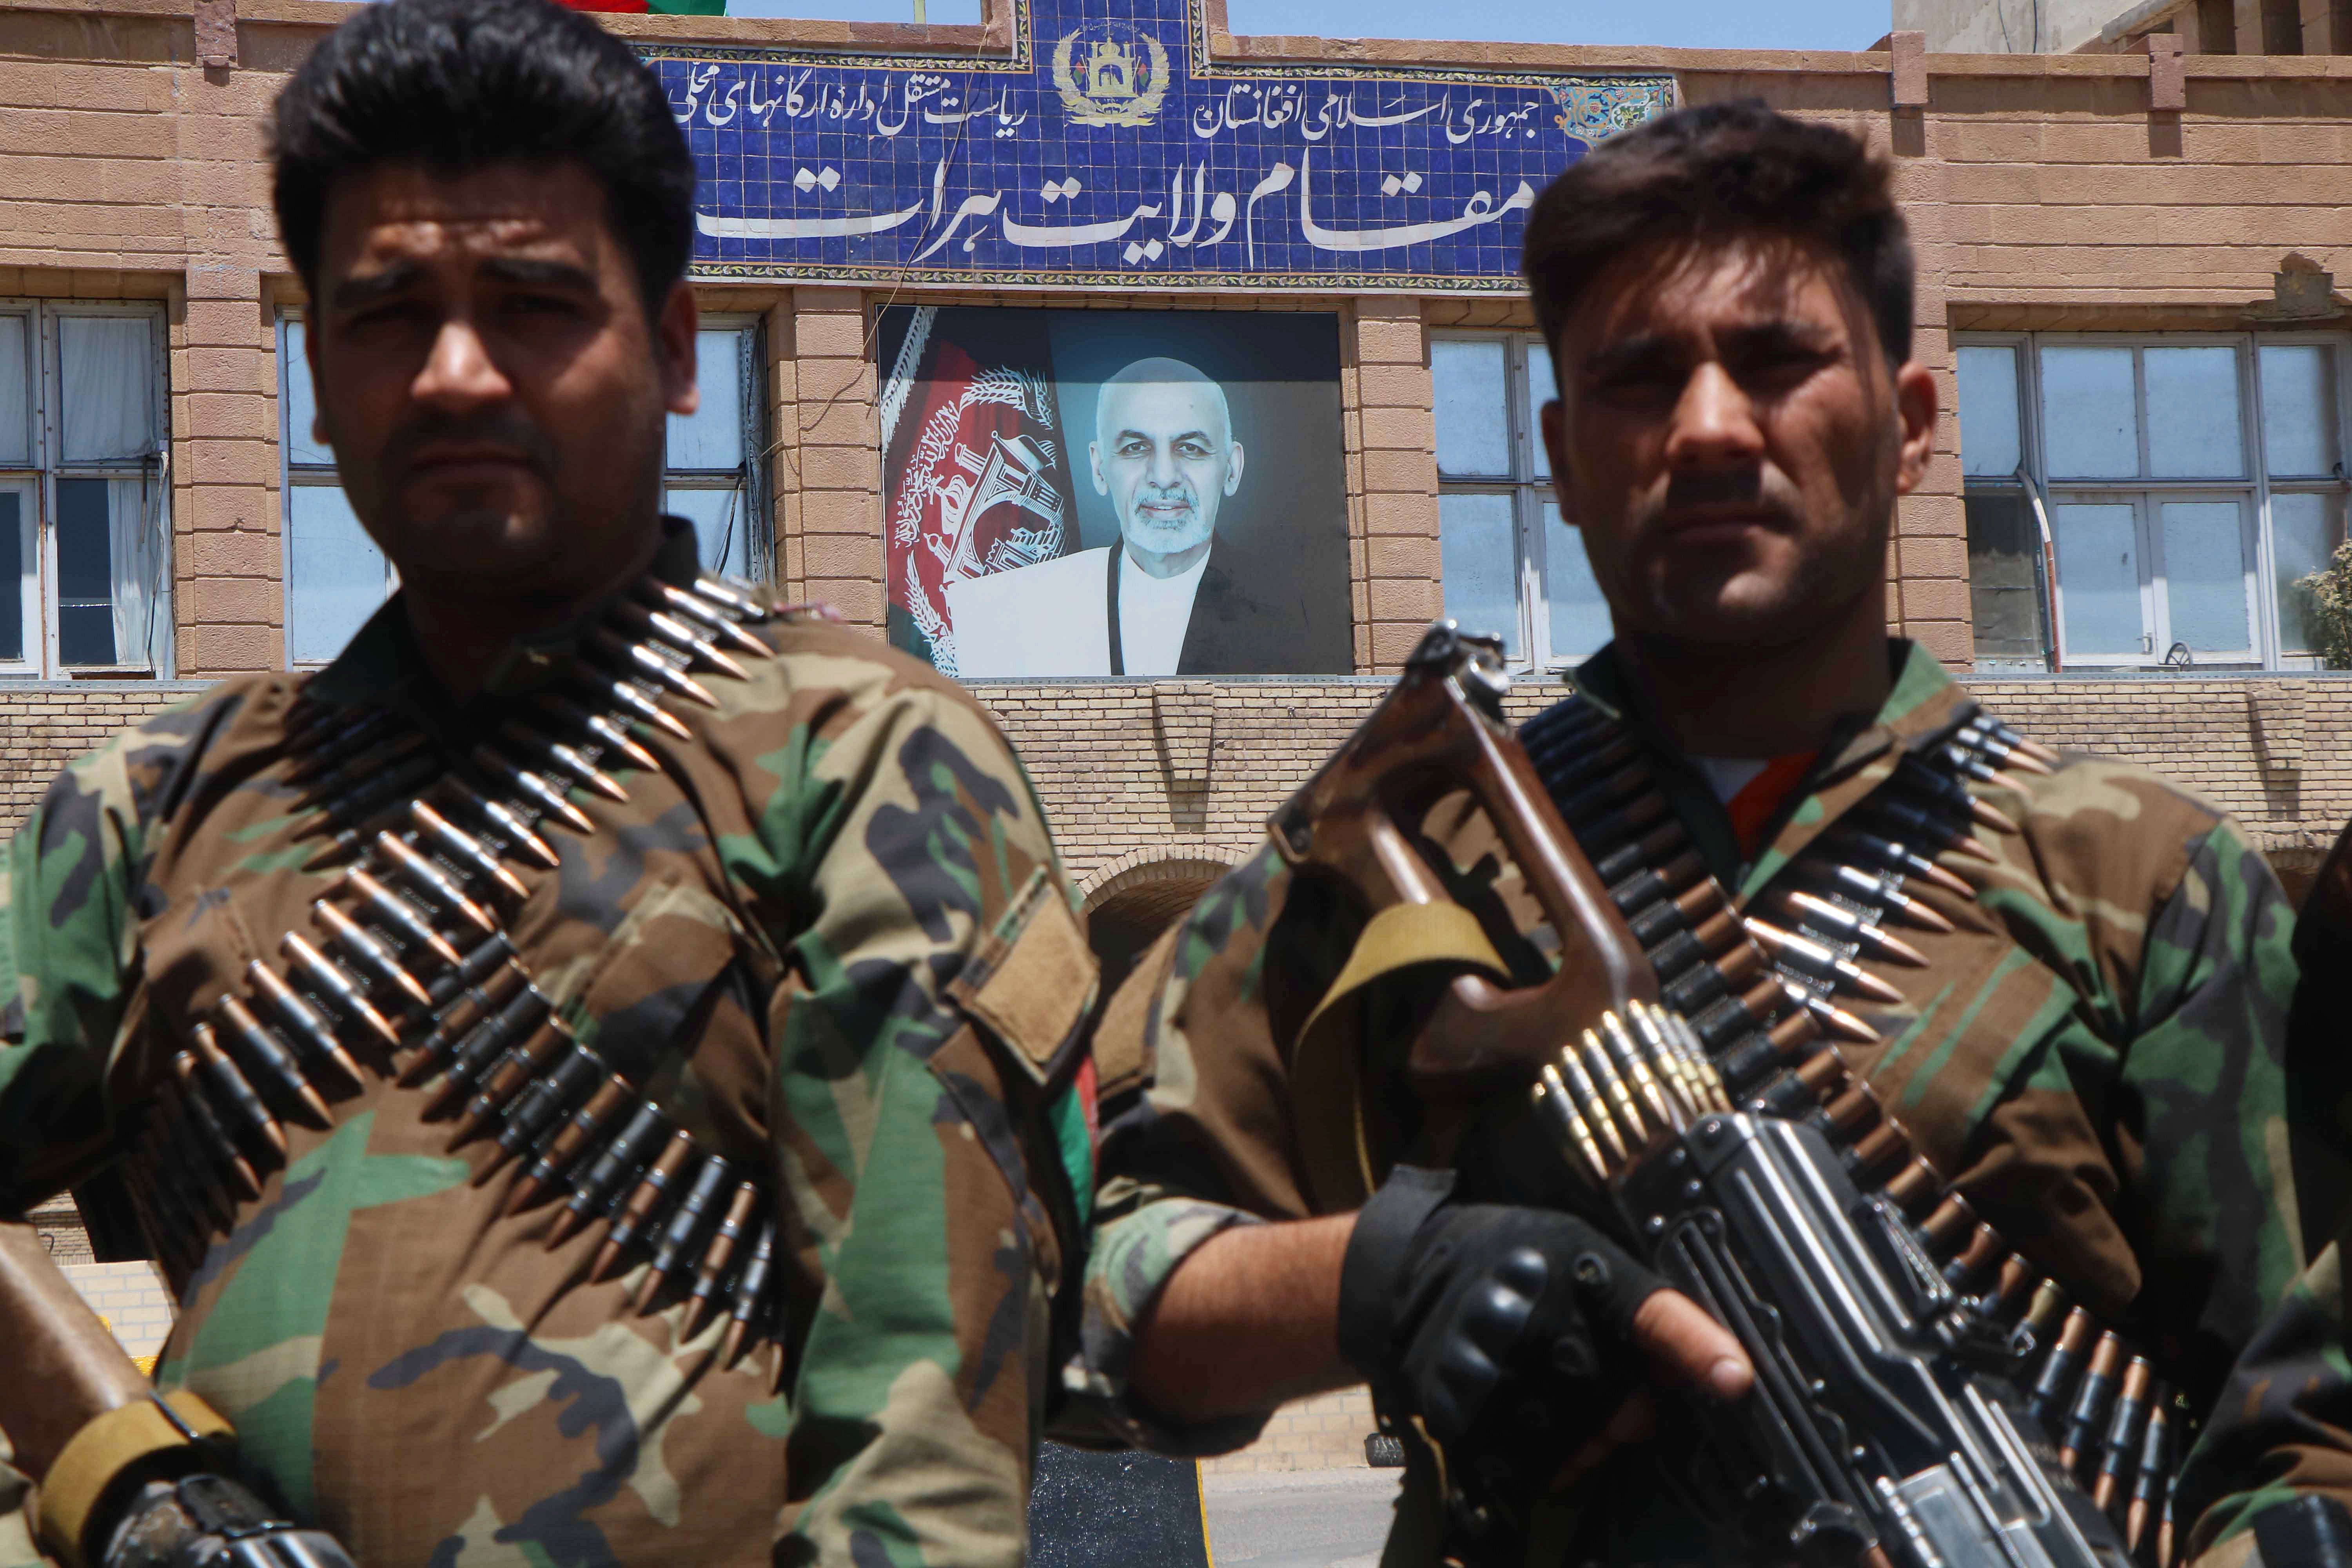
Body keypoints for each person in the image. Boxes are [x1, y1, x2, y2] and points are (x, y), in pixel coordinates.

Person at [1074, 102, 2352, 1566]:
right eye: (1636, 377)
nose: (1703, 426)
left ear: (1914, 423)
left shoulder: (2140, 879)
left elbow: (2302, 1415)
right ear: (1557, 453)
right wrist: (1382, 1275)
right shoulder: (1416, 848)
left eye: (1775, 359)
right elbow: (1070, 1288)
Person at [0, 1, 1096, 1563]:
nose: (453, 373)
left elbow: (922, 1448)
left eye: (530, 303)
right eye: (387, 313)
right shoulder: (157, 807)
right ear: (315, 369)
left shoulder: (854, 761)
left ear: (671, 346)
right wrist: (122, 1478)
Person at [946, 357, 1295, 677]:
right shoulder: (1011, 617)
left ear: (1232, 469)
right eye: (1135, 448)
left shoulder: (1294, 617)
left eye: (1190, 448)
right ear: (1099, 469)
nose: (1163, 475)